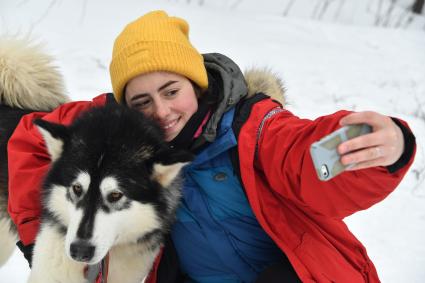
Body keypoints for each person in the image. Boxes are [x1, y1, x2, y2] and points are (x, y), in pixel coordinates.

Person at [8, 10, 416, 283]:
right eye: (142, 102)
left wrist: (384, 146)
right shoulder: (115, 130)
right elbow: (29, 136)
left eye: (172, 91)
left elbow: (306, 157)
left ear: (196, 84)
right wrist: (39, 240)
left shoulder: (253, 128)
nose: (162, 111)